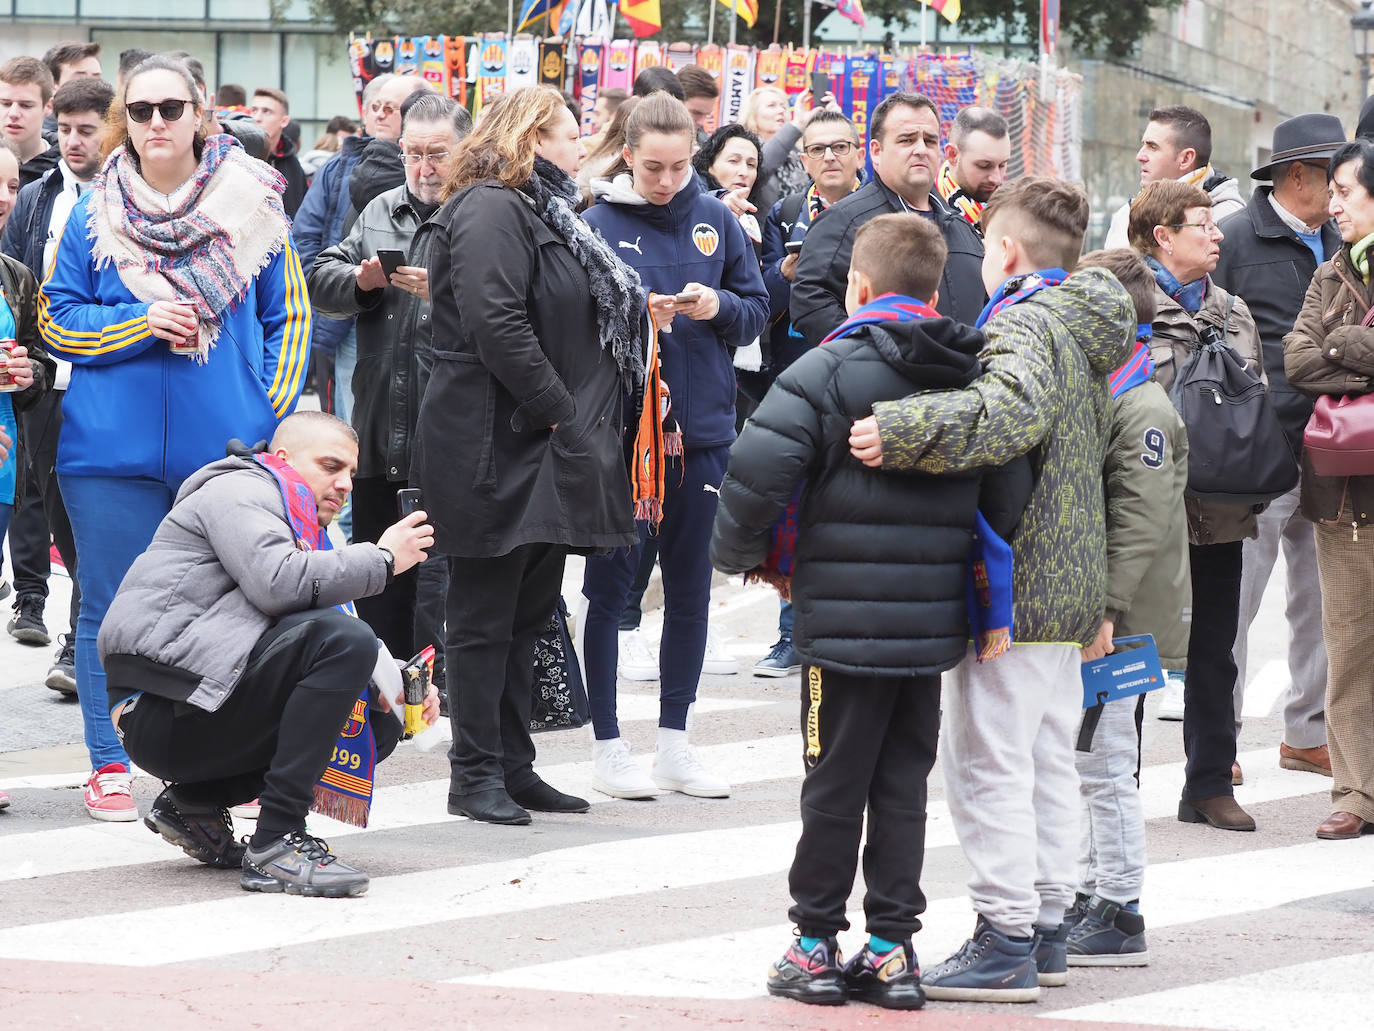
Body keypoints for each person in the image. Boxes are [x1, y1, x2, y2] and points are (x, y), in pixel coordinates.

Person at [712, 212, 1028, 1010]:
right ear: (933, 288)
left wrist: (745, 556)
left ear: (857, 286)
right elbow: (1007, 493)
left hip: (840, 624)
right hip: (928, 627)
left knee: (831, 780)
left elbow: (755, 469)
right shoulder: (969, 372)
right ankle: (892, 950)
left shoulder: (825, 368)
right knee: (900, 784)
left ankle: (814, 942)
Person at [847, 177, 1134, 1002]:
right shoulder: (1084, 324)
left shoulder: (1021, 322)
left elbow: (1004, 414)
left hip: (1024, 575)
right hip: (1073, 575)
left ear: (1003, 251)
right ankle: (1043, 923)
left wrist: (899, 430)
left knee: (986, 763)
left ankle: (1005, 933)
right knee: (1042, 756)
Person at [38, 54, 310, 823]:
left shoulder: (254, 206)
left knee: (231, 611)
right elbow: (57, 317)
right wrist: (138, 322)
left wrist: (259, 419)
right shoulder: (95, 212)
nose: (157, 122)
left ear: (201, 116)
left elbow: (287, 317)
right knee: (108, 607)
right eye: (142, 109)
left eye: (171, 108)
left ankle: (214, 765)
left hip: (224, 453)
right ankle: (111, 761)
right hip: (106, 453)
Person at [412, 85, 641, 826]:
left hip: (535, 443)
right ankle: (473, 772)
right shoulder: (490, 207)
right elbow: (495, 321)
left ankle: (514, 765)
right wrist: (565, 413)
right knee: (481, 615)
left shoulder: (545, 210)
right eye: (574, 132)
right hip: (489, 439)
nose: (583, 146)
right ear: (535, 135)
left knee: (529, 609)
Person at [99, 411, 436, 896]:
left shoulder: (302, 522)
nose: (344, 485)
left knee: (377, 719)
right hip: (157, 707)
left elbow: (307, 638)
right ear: (282, 459)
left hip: (204, 698)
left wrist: (399, 688)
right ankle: (277, 842)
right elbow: (278, 584)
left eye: (349, 475)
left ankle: (194, 802)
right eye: (329, 466)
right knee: (347, 644)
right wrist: (382, 559)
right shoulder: (240, 491)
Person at [579, 92, 769, 801]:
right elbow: (572, 332)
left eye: (679, 166)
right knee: (611, 591)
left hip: (706, 435)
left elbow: (754, 312)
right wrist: (637, 315)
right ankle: (607, 744)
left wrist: (716, 305)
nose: (666, 181)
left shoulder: (718, 218)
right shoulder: (593, 223)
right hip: (626, 445)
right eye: (653, 167)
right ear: (627, 155)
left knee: (691, 592)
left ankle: (676, 743)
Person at [308, 93, 471, 662]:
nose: (424, 169)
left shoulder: (481, 214)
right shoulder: (381, 209)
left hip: (453, 440)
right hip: (377, 435)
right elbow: (318, 276)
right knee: (379, 580)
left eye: (438, 154)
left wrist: (449, 294)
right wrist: (363, 280)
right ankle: (383, 701)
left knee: (441, 586)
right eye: (413, 154)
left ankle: (438, 694)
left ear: (466, 150)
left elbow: (518, 309)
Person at [1066, 248, 1191, 967]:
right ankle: (1092, 889)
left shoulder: (1141, 404)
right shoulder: (1116, 388)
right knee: (1089, 758)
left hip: (1121, 620)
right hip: (1107, 612)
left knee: (1110, 763)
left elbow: (1141, 519)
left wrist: (1106, 610)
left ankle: (1120, 905)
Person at [1127, 178, 1265, 831]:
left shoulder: (1231, 310)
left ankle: (1208, 783)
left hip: (1218, 508)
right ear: (1163, 235)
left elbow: (1254, 394)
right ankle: (1114, 780)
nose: (1216, 236)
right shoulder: (1124, 302)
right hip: (1143, 509)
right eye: (1202, 225)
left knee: (1215, 649)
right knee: (1128, 647)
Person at [1213, 114, 1344, 779]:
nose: (1343, 190)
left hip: (1337, 448)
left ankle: (1307, 731)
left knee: (1321, 598)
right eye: (1333, 175)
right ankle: (1222, 736)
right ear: (1298, 175)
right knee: (1240, 597)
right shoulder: (1236, 238)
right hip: (1260, 449)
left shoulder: (1345, 237)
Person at [0, 75, 113, 689]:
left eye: (85, 130)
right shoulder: (39, 195)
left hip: (102, 377)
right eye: (63, 129)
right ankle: (72, 625)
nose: (71, 141)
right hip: (45, 380)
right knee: (54, 514)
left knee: (96, 514)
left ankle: (81, 644)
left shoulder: (128, 199)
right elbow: (17, 287)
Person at [752, 108, 865, 678]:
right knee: (792, 506)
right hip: (796, 374)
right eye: (818, 149)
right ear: (803, 159)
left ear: (859, 152)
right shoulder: (788, 213)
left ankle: (850, 625)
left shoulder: (877, 213)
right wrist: (787, 275)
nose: (830, 158)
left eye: (841, 147)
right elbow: (759, 292)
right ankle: (790, 635)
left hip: (861, 378)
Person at [1284, 137, 1374, 841]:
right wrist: (1349, 352)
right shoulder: (1328, 275)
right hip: (1341, 494)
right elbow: (1299, 360)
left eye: (1345, 191)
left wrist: (1338, 346)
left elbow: (1325, 353)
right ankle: (1355, 791)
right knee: (1347, 646)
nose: (1333, 204)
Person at [791, 92, 986, 347]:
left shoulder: (963, 229)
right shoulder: (842, 222)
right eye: (906, 140)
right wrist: (875, 353)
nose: (920, 149)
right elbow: (809, 301)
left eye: (930, 140)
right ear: (876, 151)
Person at [296, 73, 425, 430]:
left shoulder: (436, 172)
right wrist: (339, 286)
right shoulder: (337, 168)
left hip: (418, 318)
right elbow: (307, 240)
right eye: (375, 106)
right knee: (350, 430)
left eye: (392, 107)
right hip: (348, 318)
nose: (380, 114)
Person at [0, 137, 56, 643]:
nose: (3, 198)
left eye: (12, 185)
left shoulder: (15, 277)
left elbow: (40, 361)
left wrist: (27, 375)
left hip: (2, 477)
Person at [1104, 105, 1243, 250]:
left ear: (1186, 159)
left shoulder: (1229, 221)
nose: (1140, 156)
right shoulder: (1126, 215)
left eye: (1152, 147)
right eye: (1143, 145)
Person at [740, 85, 821, 213]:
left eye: (783, 106)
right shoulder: (744, 148)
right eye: (771, 106)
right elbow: (763, 165)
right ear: (753, 114)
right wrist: (798, 124)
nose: (781, 111)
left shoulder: (798, 152)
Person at [937, 106, 1010, 229]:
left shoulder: (1011, 206)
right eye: (984, 166)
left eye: (1002, 165)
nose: (997, 179)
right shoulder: (931, 213)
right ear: (953, 155)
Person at [0, 57, 59, 187]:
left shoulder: (64, 169)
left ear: (48, 107)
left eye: (25, 105)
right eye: (5, 103)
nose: (13, 114)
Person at [250, 87, 307, 217]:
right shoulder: (239, 158)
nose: (257, 118)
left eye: (267, 111)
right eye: (254, 110)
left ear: (284, 121)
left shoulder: (293, 164)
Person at [676, 65, 719, 145]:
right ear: (675, 102)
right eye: (696, 113)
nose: (702, 122)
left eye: (707, 115)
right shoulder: (647, 134)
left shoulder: (704, 146)